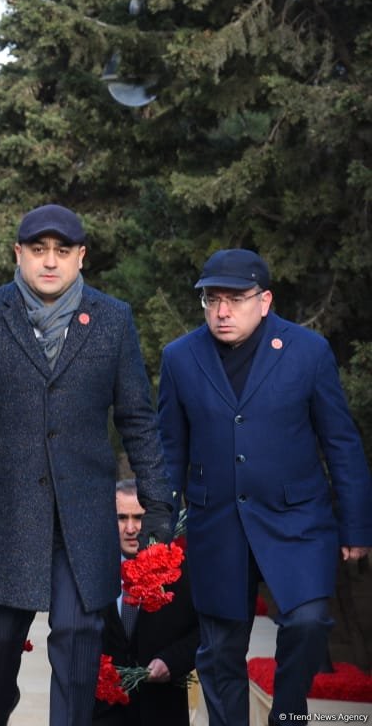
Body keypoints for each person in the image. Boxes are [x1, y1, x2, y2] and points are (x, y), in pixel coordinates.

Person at [0, 204, 176, 726]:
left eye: (62, 252)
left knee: (79, 635)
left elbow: (136, 416)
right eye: (38, 250)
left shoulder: (111, 319)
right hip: (8, 509)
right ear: (18, 254)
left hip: (82, 513)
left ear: (81, 257)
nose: (49, 262)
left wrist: (157, 502)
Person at [157, 248, 372, 726]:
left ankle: (289, 714)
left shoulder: (308, 352)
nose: (222, 311)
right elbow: (169, 452)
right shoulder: (180, 357)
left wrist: (356, 526)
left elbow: (340, 441)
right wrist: (163, 530)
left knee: (309, 621)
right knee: (219, 650)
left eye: (235, 299)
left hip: (297, 519)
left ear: (265, 300)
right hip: (217, 524)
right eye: (212, 300)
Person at [92, 480, 198, 726]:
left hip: (162, 710)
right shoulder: (89, 572)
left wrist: (172, 661)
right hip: (100, 713)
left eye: (138, 518)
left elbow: (205, 631)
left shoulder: (180, 573)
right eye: (121, 517)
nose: (130, 528)